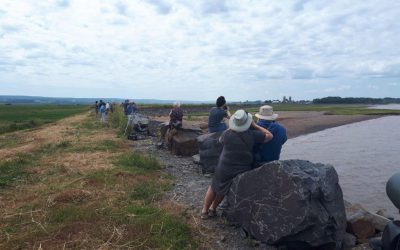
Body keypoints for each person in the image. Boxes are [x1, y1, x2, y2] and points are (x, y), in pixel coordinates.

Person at [201, 109, 273, 219]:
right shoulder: (252, 135)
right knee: (223, 190)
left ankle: (204, 211)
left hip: (224, 166)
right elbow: (269, 135)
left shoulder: (227, 133)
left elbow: (220, 140)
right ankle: (213, 209)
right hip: (240, 169)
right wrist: (255, 125)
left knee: (213, 187)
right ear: (247, 122)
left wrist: (232, 127)